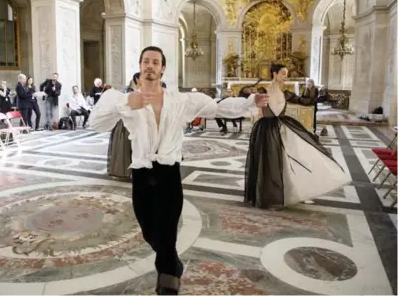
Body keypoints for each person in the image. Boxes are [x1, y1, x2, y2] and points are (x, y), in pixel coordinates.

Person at [89, 46, 269, 295]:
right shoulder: (123, 100)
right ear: (140, 66)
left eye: (155, 62)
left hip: (169, 174)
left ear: (163, 68)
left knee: (168, 229)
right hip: (142, 174)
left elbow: (216, 107)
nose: (150, 65)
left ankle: (168, 281)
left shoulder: (180, 100)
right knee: (149, 230)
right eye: (145, 61)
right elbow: (96, 123)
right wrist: (128, 103)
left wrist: (250, 102)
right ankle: (173, 264)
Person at [244, 63, 351, 210]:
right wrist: (257, 100)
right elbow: (256, 102)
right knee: (270, 162)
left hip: (280, 127)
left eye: (286, 74)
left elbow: (303, 101)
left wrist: (321, 98)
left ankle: (295, 191)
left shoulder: (285, 93)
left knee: (292, 158)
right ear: (274, 74)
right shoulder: (263, 91)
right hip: (267, 130)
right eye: (283, 73)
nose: (285, 76)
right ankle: (269, 196)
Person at [108, 73, 141, 179]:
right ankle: (125, 171)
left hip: (139, 123)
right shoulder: (126, 91)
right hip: (125, 124)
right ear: (136, 79)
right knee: (125, 148)